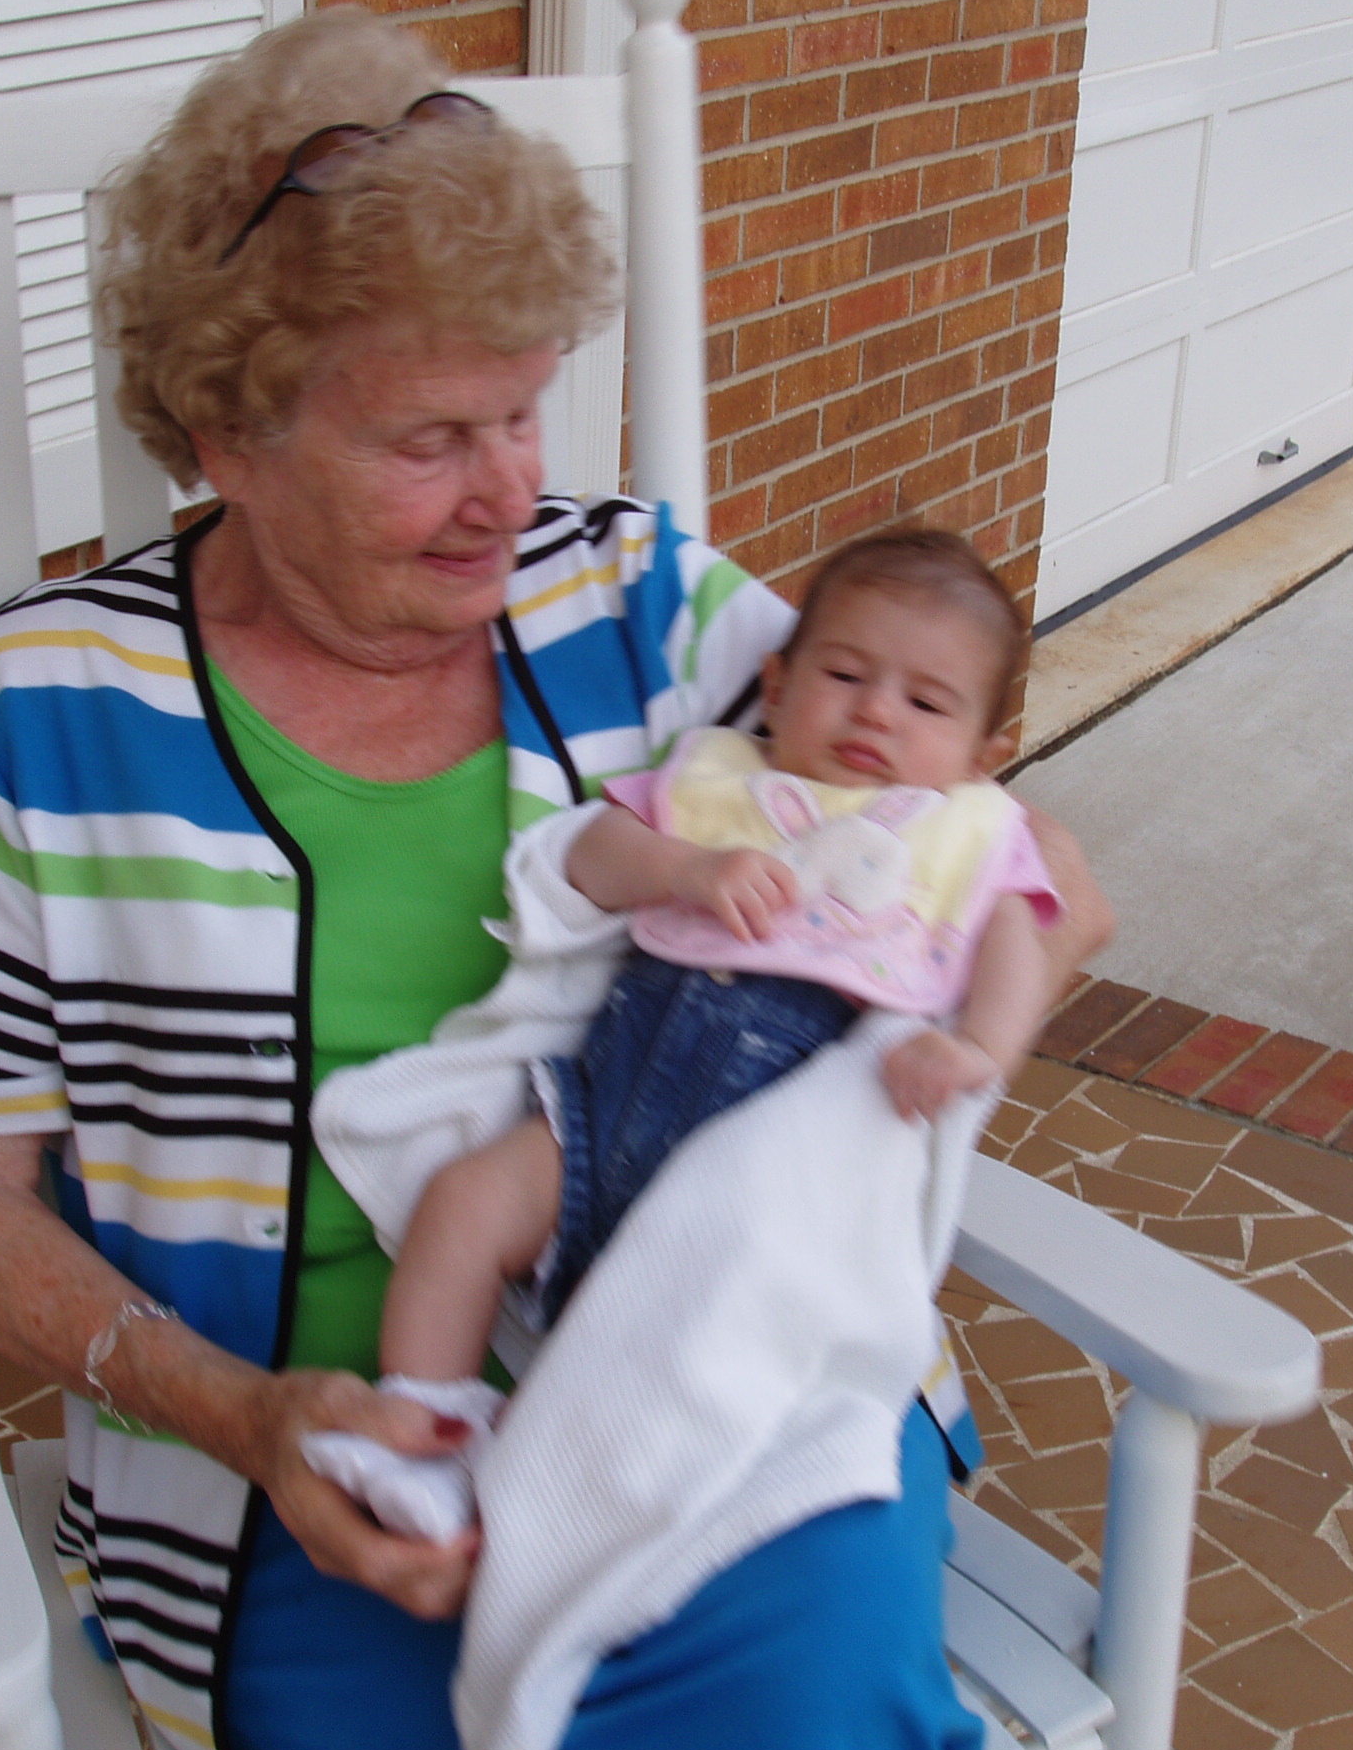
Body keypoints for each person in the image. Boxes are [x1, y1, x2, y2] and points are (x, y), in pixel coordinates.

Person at [0, 3, 1114, 1750]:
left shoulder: (642, 599)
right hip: (318, 1473)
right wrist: (241, 1413)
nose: (510, 490)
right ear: (226, 434)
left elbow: (1008, 849)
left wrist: (953, 1004)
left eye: (523, 408)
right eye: (431, 437)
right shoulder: (39, 718)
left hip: (735, 1391)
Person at [375, 529, 1067, 1414]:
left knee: (686, 1371)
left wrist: (980, 1050)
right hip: (596, 1116)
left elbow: (1017, 943)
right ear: (776, 686)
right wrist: (688, 870)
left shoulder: (964, 835)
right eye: (844, 675)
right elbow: (592, 854)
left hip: (757, 1189)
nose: (876, 713)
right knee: (462, 1204)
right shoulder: (720, 781)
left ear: (980, 757)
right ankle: (417, 1420)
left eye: (926, 703)